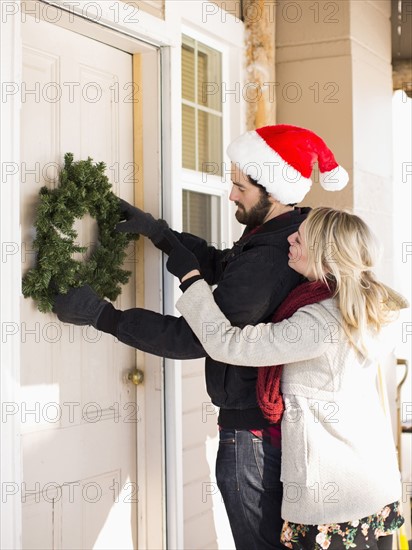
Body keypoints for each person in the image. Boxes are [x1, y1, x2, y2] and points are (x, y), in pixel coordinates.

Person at [53, 125, 349, 550]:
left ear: (273, 188)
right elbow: (222, 264)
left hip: (252, 441)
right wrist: (159, 233)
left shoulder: (269, 260)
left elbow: (196, 336)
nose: (231, 195)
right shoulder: (276, 234)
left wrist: (104, 316)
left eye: (239, 186)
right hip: (256, 432)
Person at [163, 206, 406, 550]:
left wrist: (192, 280)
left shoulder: (319, 323)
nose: (289, 239)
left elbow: (226, 344)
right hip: (372, 483)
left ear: (325, 254)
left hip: (333, 497)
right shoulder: (370, 308)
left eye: (300, 238)